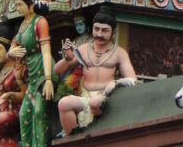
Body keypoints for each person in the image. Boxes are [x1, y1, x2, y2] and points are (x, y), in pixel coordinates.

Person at [55, 8, 137, 136]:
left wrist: (115, 83)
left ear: (113, 33)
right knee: (64, 103)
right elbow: (57, 70)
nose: (99, 34)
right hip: (86, 97)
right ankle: (72, 141)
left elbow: (133, 80)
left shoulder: (119, 53)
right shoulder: (83, 49)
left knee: (95, 103)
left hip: (106, 97)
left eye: (104, 31)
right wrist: (67, 59)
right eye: (96, 29)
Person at [7, 0, 54, 147]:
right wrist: (11, 51)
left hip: (42, 68)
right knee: (24, 114)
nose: (17, 7)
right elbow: (15, 41)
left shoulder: (40, 22)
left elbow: (46, 51)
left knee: (40, 110)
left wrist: (48, 79)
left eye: (20, 4)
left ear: (30, 4)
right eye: (17, 4)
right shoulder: (23, 24)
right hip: (31, 74)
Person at [0, 18, 26, 147]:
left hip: (17, 112)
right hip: (3, 110)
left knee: (1, 119)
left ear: (9, 48)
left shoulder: (19, 67)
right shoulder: (3, 69)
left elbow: (26, 94)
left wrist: (10, 96)